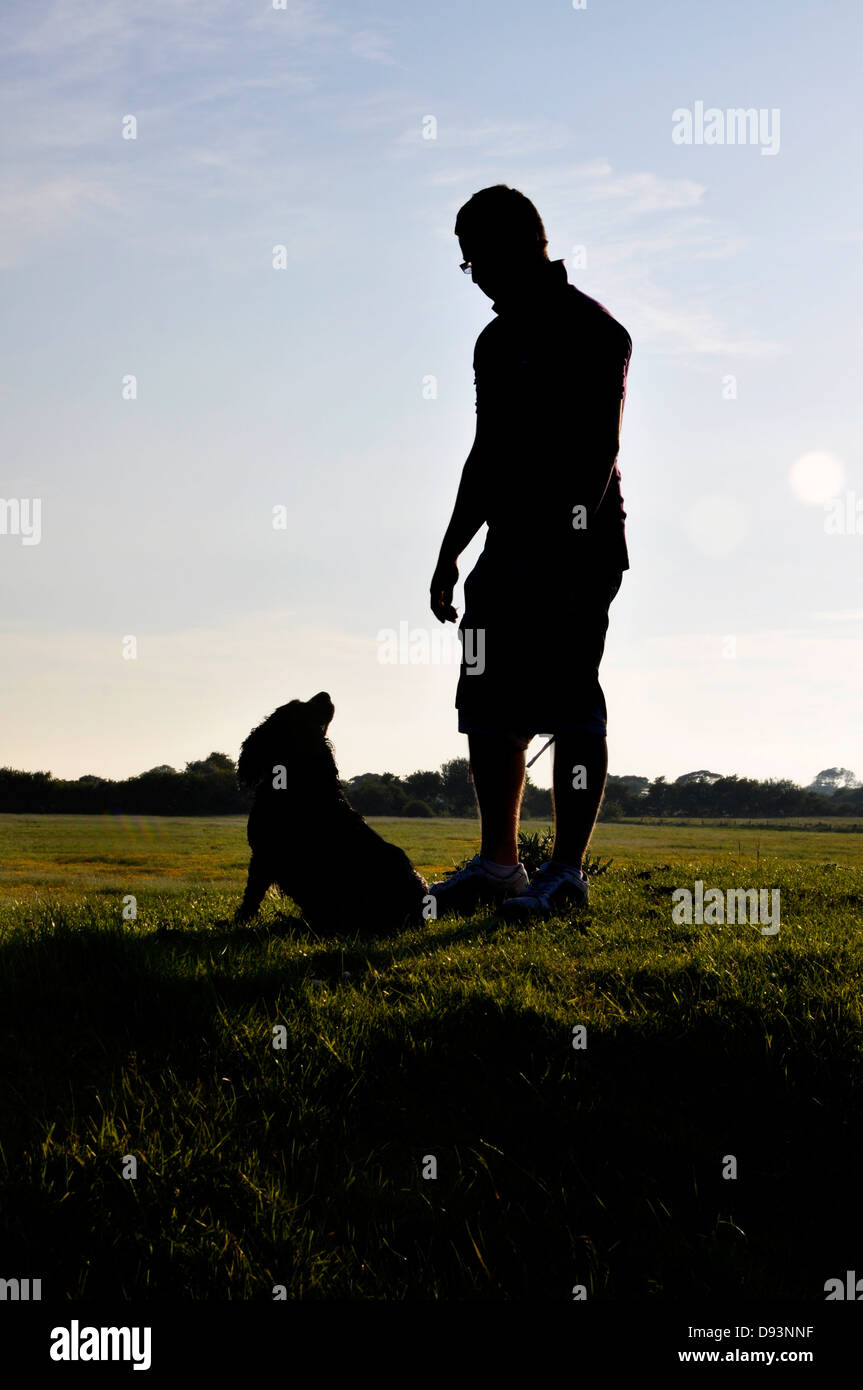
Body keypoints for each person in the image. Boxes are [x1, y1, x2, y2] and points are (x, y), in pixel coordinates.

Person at [428, 184, 632, 919]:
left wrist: (563, 545)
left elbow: (598, 454)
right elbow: (485, 454)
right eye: (465, 264)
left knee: (571, 707)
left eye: (476, 259)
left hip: (577, 551)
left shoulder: (594, 331)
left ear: (522, 245)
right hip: (502, 553)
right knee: (487, 705)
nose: (474, 276)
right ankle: (499, 867)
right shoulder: (494, 341)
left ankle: (566, 875)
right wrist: (452, 550)